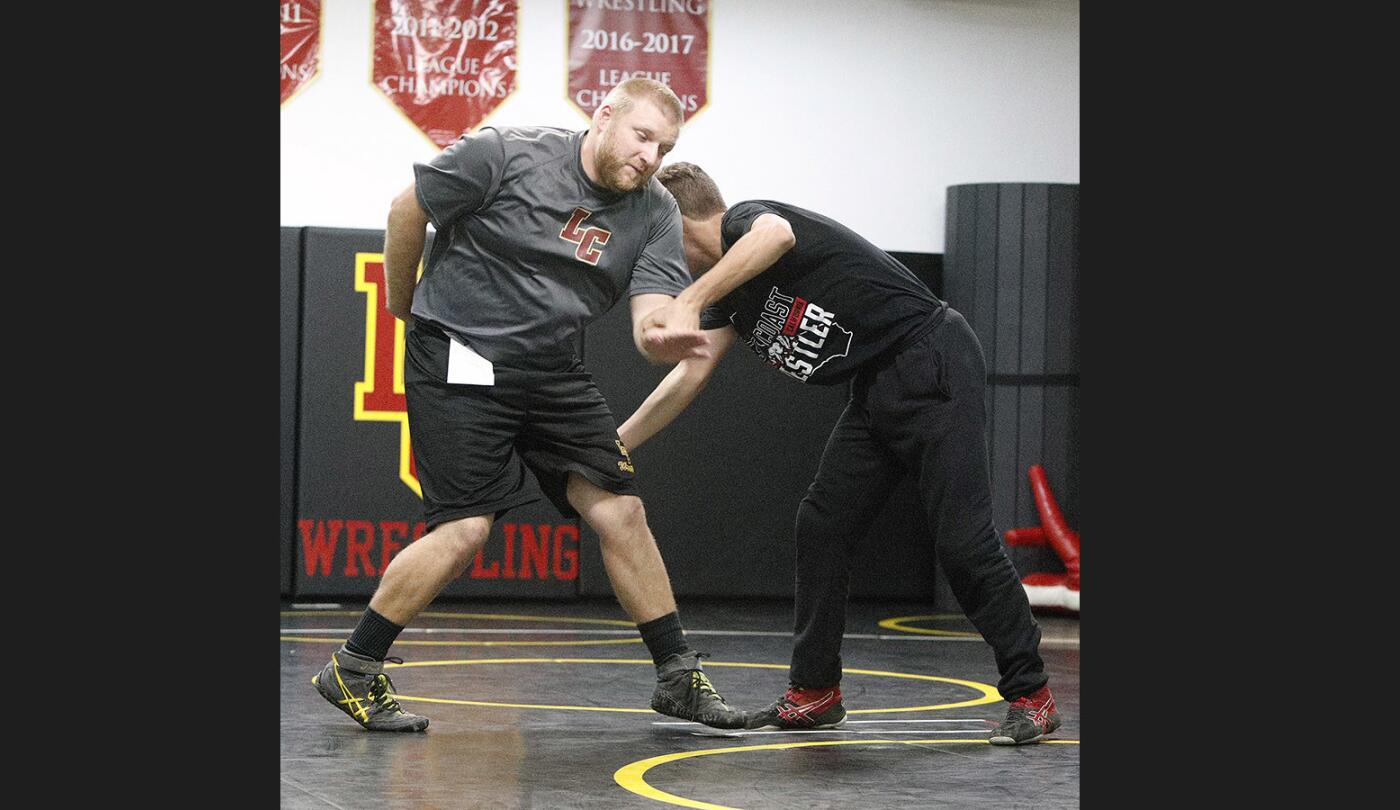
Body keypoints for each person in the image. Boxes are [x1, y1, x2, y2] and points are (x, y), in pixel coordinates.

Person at [312, 80, 746, 733]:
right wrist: (405, 307)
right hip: (458, 355)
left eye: (666, 146)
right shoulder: (505, 154)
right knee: (464, 532)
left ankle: (678, 678)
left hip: (551, 367)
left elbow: (651, 315)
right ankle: (354, 667)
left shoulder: (654, 210)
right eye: (642, 136)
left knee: (621, 510)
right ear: (604, 117)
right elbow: (409, 209)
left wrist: (662, 337)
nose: (651, 156)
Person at [619, 162, 1062, 745]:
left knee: (963, 541)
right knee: (822, 525)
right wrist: (617, 443)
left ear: (674, 223)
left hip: (930, 356)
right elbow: (688, 375)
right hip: (877, 385)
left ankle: (1033, 695)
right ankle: (815, 692)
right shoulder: (731, 302)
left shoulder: (748, 222)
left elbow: (776, 237)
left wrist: (689, 298)